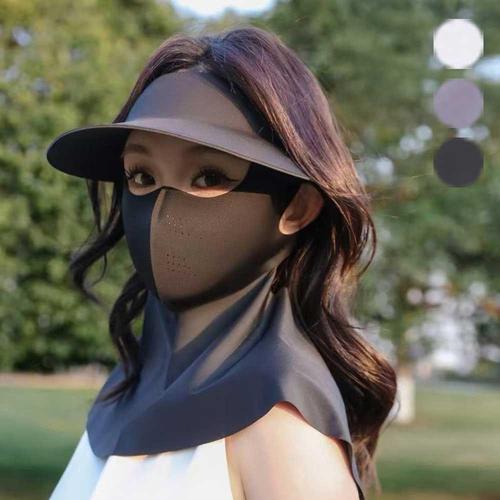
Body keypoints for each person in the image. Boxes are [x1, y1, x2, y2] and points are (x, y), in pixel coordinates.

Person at [45, 25, 397, 500]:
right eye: (142, 176)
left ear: (298, 207)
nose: (163, 211)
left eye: (209, 176)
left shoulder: (280, 426)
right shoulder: (126, 386)